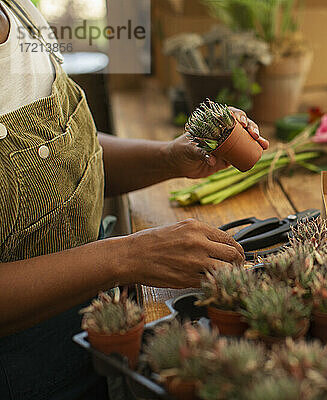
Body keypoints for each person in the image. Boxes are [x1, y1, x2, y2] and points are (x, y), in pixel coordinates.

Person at [0, 0, 269, 398]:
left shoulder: (18, 11)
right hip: (24, 369)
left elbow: (66, 153)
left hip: (97, 329)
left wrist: (167, 158)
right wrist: (125, 256)